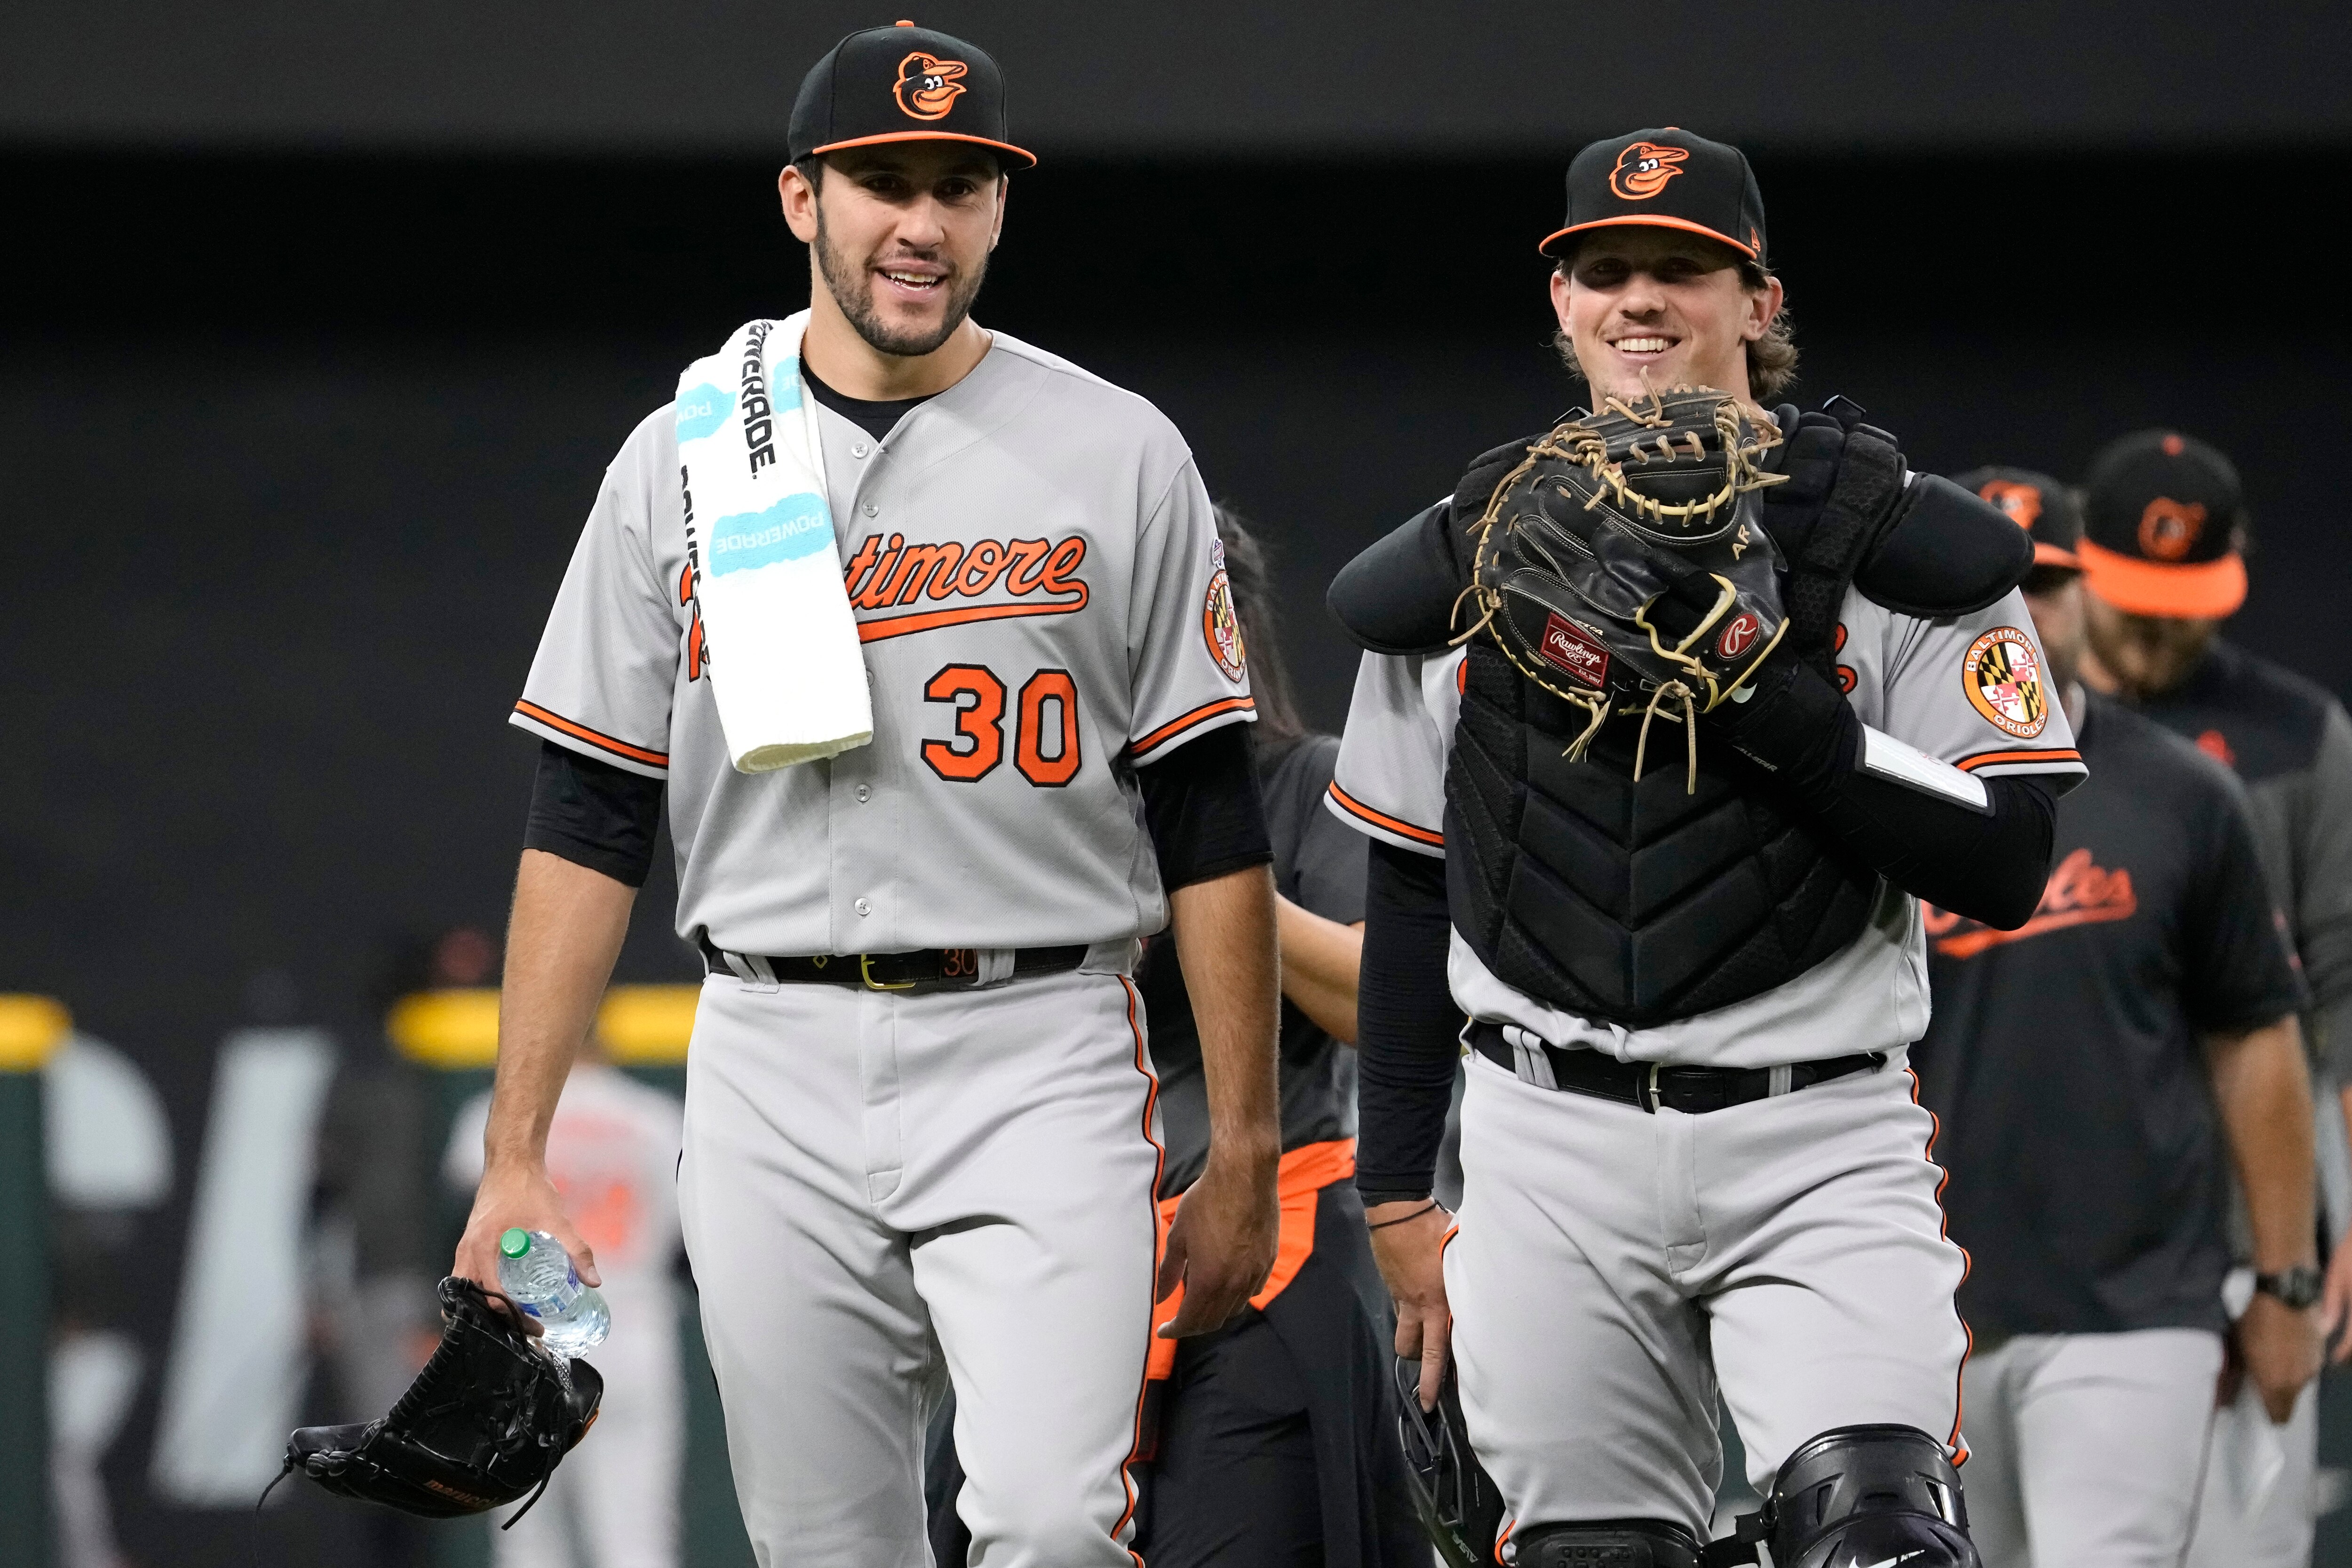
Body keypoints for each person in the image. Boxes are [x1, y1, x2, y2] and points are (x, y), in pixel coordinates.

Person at [450, 23, 1282, 1568]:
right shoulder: (687, 456)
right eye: (881, 182)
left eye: (959, 185)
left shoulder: (1119, 449)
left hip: (1041, 1046)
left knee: (1049, 1521)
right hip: (772, 1051)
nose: (921, 221)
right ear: (799, 202)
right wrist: (517, 1151)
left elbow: (1211, 818)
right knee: (824, 1549)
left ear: (999, 212)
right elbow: (588, 814)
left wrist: (1239, 1143)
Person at [1321, 127, 2087, 1567]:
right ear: (1559, 304)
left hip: (1813, 1129)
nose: (1639, 301)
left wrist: (1776, 706)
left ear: (1758, 301)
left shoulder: (1884, 544)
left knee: (1878, 1547)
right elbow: (1413, 891)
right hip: (1545, 1141)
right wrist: (1395, 1191)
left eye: (1681, 268)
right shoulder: (1479, 558)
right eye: (1603, 270)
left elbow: (2005, 859)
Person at [926, 507, 1422, 1568]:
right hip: (1056, 1261)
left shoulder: (1305, 782)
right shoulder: (1035, 810)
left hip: (1266, 1246)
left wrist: (1210, 872)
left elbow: (1382, 1001)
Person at [1910, 467, 2315, 1568]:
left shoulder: (2185, 793)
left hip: (2131, 1309)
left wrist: (2284, 1279)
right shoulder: (1861, 795)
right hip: (1909, 1308)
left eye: (2042, 586)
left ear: (2089, 597)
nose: (2015, 616)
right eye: (1977, 590)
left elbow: (2257, 1036)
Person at [2070, 429, 2352, 1566]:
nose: (2156, 626)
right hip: (2039, 1237)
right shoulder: (2000, 737)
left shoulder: (2295, 737)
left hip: (2241, 1230)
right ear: (2079, 568)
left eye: (2184, 599)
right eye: (2135, 598)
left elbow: (2340, 994)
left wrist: (2323, 1243)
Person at [446, 1036, 686, 1568]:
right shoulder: (654, 1118)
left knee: (528, 1537)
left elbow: (463, 1220)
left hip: (526, 1336)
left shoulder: (493, 1119)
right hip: (631, 1326)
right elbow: (680, 1239)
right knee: (637, 1538)